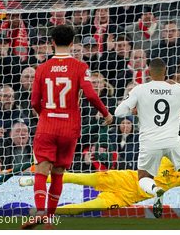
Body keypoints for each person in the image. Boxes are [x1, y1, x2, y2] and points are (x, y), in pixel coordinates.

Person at [22, 24, 113, 229]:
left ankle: (39, 212)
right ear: (72, 44)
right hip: (69, 128)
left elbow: (34, 101)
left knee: (41, 170)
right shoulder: (81, 67)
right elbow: (90, 94)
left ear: (52, 43)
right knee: (58, 173)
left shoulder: (42, 68)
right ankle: (50, 221)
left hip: (47, 124)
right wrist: (106, 113)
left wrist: (42, 113)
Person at [18, 140, 180, 216]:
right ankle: (35, 180)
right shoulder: (167, 159)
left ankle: (45, 213)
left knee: (83, 207)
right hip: (123, 179)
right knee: (78, 178)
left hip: (127, 198)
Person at [114, 58, 180, 223]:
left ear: (148, 73)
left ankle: (156, 190)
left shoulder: (140, 89)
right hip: (172, 141)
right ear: (165, 73)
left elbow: (119, 112)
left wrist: (135, 110)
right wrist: (178, 88)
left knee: (143, 178)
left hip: (149, 143)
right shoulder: (175, 88)